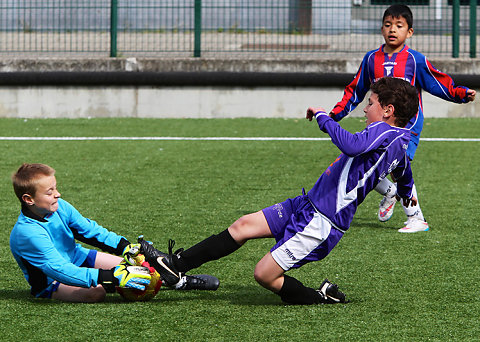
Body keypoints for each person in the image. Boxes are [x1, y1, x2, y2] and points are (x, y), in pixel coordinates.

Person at [132, 77, 420, 305]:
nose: (365, 109)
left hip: (323, 222)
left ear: (388, 111)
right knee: (242, 225)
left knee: (264, 275)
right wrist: (405, 194)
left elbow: (352, 146)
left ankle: (319, 296)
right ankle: (175, 266)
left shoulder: (387, 131)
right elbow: (404, 174)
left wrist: (324, 117)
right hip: (307, 204)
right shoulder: (399, 144)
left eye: (369, 104)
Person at [328, 4, 476, 233]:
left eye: (399, 25)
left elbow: (438, 83)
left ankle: (416, 217)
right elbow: (355, 90)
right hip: (379, 127)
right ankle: (390, 192)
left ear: (410, 32)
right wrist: (336, 113)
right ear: (381, 29)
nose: (392, 30)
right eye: (388, 25)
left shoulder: (415, 60)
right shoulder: (371, 59)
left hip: (407, 126)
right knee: (364, 163)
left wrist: (459, 94)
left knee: (400, 167)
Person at [9, 163, 218, 303]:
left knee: (137, 264)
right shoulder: (28, 233)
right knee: (97, 292)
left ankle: (180, 281)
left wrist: (125, 247)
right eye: (50, 192)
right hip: (51, 282)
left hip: (79, 257)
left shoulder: (60, 206)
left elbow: (89, 231)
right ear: (29, 199)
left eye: (56, 188)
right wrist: (112, 277)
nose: (58, 194)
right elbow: (59, 270)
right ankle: (114, 283)